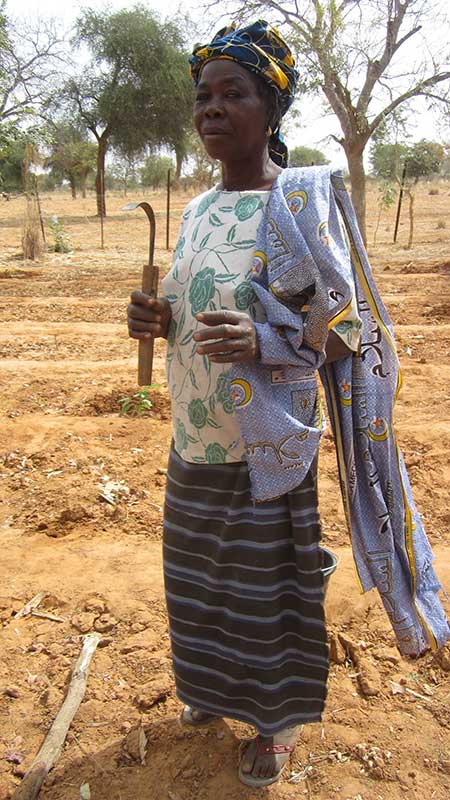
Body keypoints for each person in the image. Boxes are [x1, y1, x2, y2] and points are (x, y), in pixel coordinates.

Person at [127, 20, 449, 788]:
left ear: (271, 106)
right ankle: (208, 692)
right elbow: (193, 307)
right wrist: (156, 318)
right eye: (203, 96)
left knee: (267, 594)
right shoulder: (199, 209)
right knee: (199, 579)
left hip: (266, 446)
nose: (211, 109)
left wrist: (267, 343)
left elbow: (348, 333)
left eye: (232, 93)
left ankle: (275, 726)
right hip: (195, 442)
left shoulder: (300, 203)